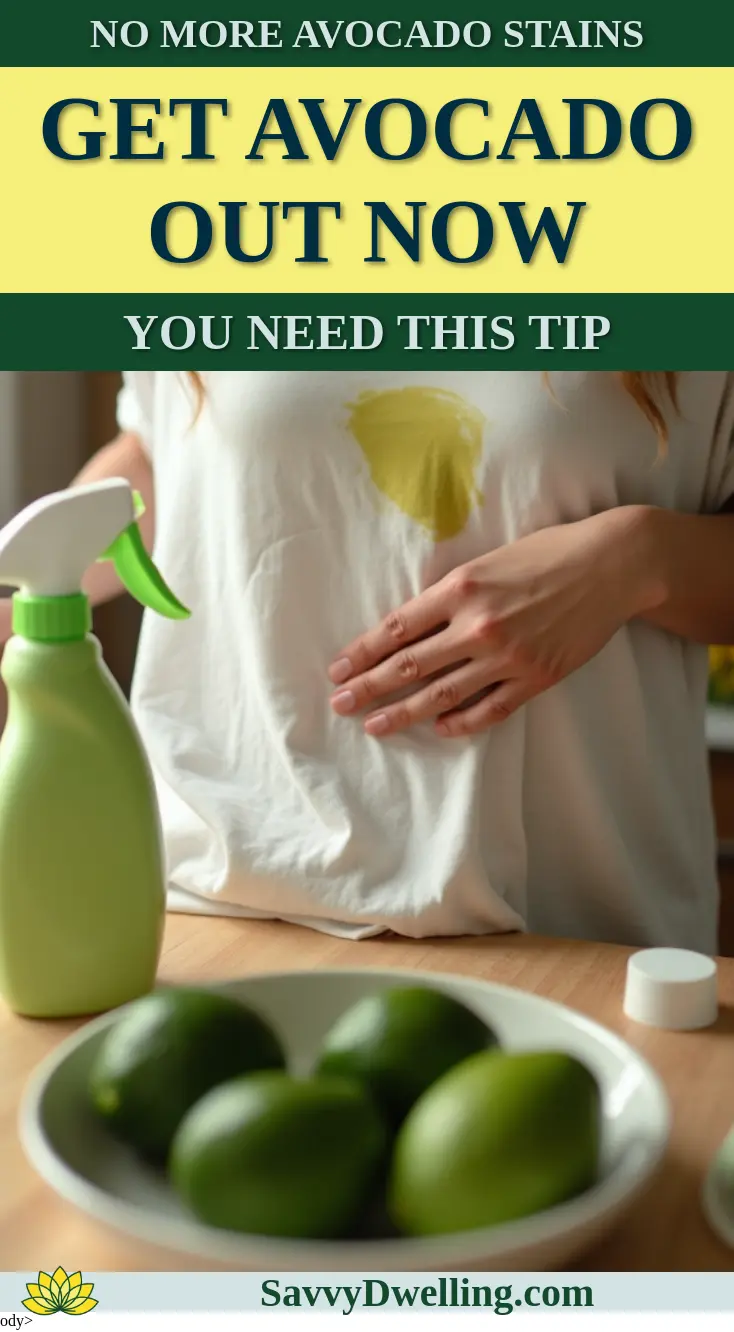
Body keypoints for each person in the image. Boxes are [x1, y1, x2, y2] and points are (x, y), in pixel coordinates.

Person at [1, 370, 733, 952]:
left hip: (572, 935)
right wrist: (21, 599)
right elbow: (167, 452)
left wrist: (641, 558)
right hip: (210, 906)